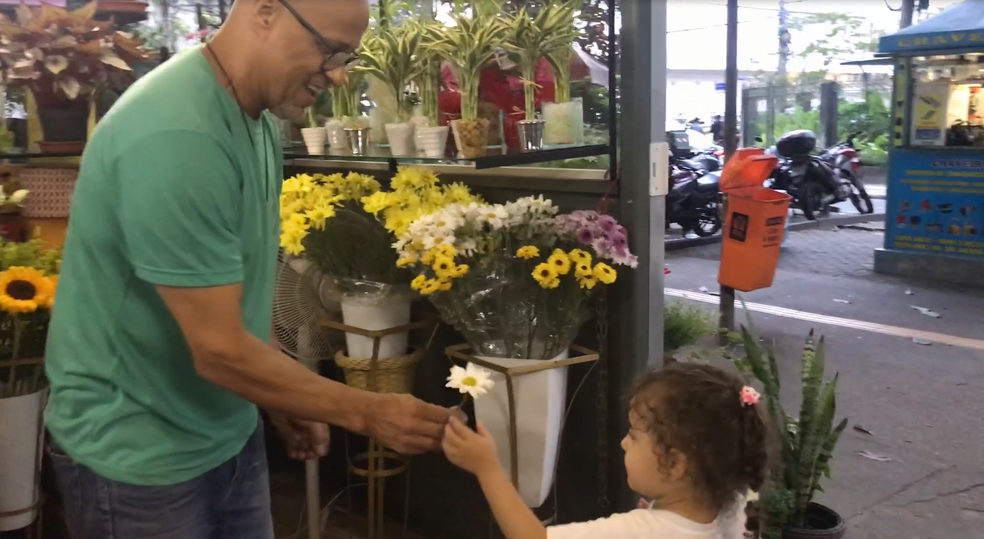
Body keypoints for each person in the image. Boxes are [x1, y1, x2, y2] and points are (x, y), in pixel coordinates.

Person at [43, 1, 451, 538]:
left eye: (347, 58)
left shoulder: (253, 111)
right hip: (138, 454)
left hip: (223, 431)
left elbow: (235, 298)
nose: (337, 75)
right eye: (330, 51)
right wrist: (368, 412)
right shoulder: (176, 135)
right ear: (264, 13)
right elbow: (218, 351)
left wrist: (283, 392)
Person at [442, 363, 769, 539]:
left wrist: (488, 468)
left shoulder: (643, 532)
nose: (623, 442)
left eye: (634, 435)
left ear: (674, 464)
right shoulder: (731, 505)